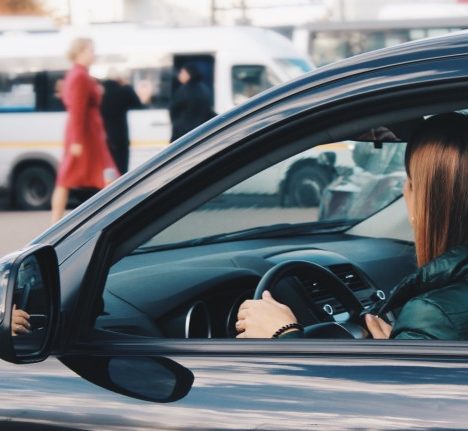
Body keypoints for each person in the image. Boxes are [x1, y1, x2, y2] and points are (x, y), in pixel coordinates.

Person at [236, 113, 468, 340]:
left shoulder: (433, 316)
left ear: (421, 198)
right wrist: (402, 345)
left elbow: (406, 379)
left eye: (408, 182)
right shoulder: (435, 320)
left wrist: (284, 334)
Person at [51, 38, 120, 223]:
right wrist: (77, 141)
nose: (93, 54)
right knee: (108, 175)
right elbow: (78, 110)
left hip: (87, 135)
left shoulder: (77, 74)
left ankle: (55, 221)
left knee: (68, 179)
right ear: (80, 52)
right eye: (91, 50)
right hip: (87, 136)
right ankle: (117, 216)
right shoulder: (80, 76)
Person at [101, 69, 143, 174]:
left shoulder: (100, 93)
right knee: (121, 166)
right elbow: (138, 105)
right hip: (120, 134)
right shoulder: (124, 91)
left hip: (103, 134)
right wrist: (127, 85)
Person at [169, 63, 216, 143]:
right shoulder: (204, 89)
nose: (180, 75)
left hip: (183, 134)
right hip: (200, 132)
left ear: (189, 74)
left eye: (182, 73)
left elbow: (174, 110)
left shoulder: (184, 90)